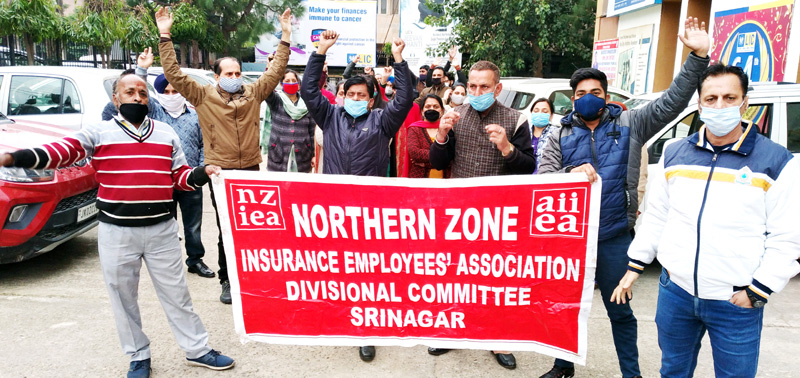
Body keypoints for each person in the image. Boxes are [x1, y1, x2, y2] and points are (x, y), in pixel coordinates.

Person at [0, 73, 233, 378]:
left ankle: (198, 349)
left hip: (162, 229)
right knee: (123, 297)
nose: (137, 97)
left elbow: (179, 177)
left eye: (142, 93)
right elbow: (60, 153)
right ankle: (138, 356)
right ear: (116, 99)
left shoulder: (165, 134)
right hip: (116, 231)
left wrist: (201, 173)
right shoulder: (97, 133)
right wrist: (13, 157)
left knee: (177, 294)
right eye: (129, 92)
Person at [536, 17, 711, 378]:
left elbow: (672, 102)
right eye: (581, 93)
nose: (588, 98)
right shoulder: (558, 133)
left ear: (607, 96)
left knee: (620, 311)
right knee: (566, 308)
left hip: (616, 235)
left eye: (595, 93)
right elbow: (543, 179)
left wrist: (698, 57)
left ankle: (631, 373)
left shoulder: (632, 124)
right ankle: (562, 365)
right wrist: (568, 175)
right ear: (573, 98)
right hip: (571, 238)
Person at [612, 62, 800, 377]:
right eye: (711, 99)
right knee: (673, 371)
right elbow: (658, 216)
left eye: (729, 98)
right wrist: (635, 265)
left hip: (735, 300)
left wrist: (758, 290)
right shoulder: (675, 153)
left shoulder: (776, 161)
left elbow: (787, 236)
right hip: (676, 293)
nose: (720, 105)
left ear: (745, 103)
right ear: (699, 104)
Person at [156, 6, 293, 304]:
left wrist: (285, 35)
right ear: (217, 77)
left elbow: (276, 69)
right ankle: (227, 281)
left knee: (254, 230)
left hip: (252, 171)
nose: (234, 77)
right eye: (228, 73)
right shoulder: (202, 95)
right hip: (221, 173)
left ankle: (253, 280)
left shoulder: (253, 93)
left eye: (238, 73)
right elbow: (174, 74)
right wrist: (165, 36)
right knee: (227, 230)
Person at [300, 30, 414, 361]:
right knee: (334, 266)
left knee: (367, 271)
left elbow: (405, 100)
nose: (356, 98)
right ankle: (336, 315)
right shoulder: (330, 115)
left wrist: (399, 61)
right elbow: (309, 90)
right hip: (333, 209)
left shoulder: (383, 122)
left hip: (370, 211)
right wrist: (320, 51)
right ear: (342, 95)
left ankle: (366, 329)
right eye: (350, 93)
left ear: (371, 99)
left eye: (362, 95)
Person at [427, 60, 535, 370]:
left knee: (495, 280)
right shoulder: (456, 115)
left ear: (497, 88)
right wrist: (443, 134)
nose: (476, 92)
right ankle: (449, 332)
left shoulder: (515, 120)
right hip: (459, 212)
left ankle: (497, 338)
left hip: (498, 215)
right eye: (472, 86)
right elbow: (437, 161)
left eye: (484, 87)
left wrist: (506, 147)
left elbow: (528, 167)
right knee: (453, 276)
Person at [265, 69, 316, 173]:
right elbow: (266, 88)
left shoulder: (306, 103)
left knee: (300, 187)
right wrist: (270, 69)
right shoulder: (276, 100)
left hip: (303, 155)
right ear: (281, 84)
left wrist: (314, 155)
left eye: (294, 80)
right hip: (279, 153)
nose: (291, 83)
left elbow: (312, 132)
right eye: (287, 81)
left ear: (298, 84)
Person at [406, 94, 449, 178]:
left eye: (436, 106)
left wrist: (425, 163)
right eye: (428, 106)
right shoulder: (415, 128)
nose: (432, 109)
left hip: (444, 180)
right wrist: (440, 159)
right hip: (419, 179)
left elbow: (451, 157)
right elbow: (414, 153)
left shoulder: (447, 129)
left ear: (442, 110)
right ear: (422, 111)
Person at [529, 98, 559, 174]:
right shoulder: (524, 132)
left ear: (551, 116)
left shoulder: (556, 133)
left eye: (544, 111)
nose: (539, 113)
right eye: (536, 111)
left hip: (545, 178)